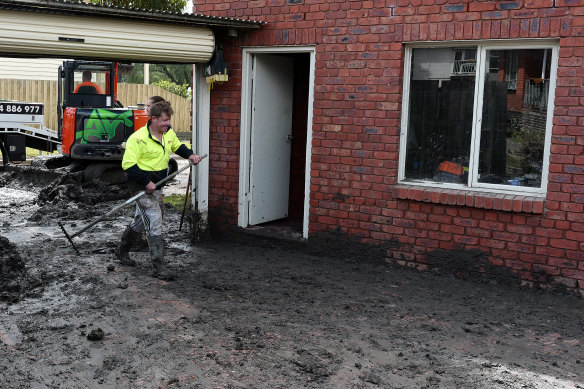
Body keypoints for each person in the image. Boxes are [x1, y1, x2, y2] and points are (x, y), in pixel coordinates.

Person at [117, 101, 202, 280]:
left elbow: (178, 146)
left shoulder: (168, 133)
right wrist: (146, 182)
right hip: (140, 185)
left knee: (141, 220)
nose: (168, 124)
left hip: (157, 184)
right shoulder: (138, 138)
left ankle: (121, 251)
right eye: (164, 120)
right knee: (155, 219)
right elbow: (128, 165)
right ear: (153, 119)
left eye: (169, 120)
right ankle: (158, 266)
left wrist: (191, 155)